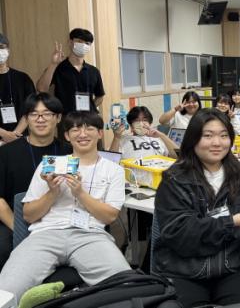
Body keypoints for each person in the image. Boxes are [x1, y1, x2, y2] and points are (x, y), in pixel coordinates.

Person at [0, 111, 130, 300]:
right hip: (45, 235)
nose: (82, 134)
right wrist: (53, 192)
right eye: (75, 129)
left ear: (100, 133)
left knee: (126, 286)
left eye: (89, 128)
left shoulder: (114, 170)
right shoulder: (51, 165)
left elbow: (109, 216)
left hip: (91, 235)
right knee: (6, 291)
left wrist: (80, 193)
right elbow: (28, 215)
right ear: (67, 136)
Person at [154, 109, 240, 308]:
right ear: (193, 139)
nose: (217, 143)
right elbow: (180, 233)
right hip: (185, 268)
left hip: (235, 264)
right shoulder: (174, 180)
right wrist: (230, 223)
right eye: (208, 135)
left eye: (224, 135)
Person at [0, 93, 70, 270]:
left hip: (59, 219)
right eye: (34, 114)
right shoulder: (6, 153)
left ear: (58, 118)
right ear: (26, 119)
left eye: (47, 114)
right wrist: (19, 229)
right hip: (16, 221)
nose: (40, 119)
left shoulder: (69, 151)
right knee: (3, 248)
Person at [36, 28, 105, 115]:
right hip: (66, 118)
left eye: (87, 43)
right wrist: (53, 64)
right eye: (79, 41)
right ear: (70, 42)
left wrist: (90, 109)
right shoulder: (58, 68)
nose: (83, 45)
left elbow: (100, 96)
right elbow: (41, 89)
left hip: (89, 119)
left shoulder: (94, 71)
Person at [0, 33, 35, 143]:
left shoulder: (23, 78)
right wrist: (4, 134)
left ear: (8, 50)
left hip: (20, 138)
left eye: (2, 47)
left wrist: (14, 135)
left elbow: (31, 109)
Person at [109, 106, 178, 160]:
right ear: (131, 125)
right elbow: (111, 161)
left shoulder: (159, 138)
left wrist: (162, 136)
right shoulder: (123, 140)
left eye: (144, 120)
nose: (141, 124)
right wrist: (116, 137)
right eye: (137, 120)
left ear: (150, 123)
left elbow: (178, 156)